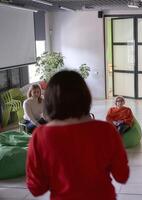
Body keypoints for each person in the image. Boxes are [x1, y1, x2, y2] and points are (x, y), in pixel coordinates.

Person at [26, 70, 129, 200]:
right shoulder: (106, 130)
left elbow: (36, 188)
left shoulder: (40, 136)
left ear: (50, 100)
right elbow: (122, 175)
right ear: (85, 96)